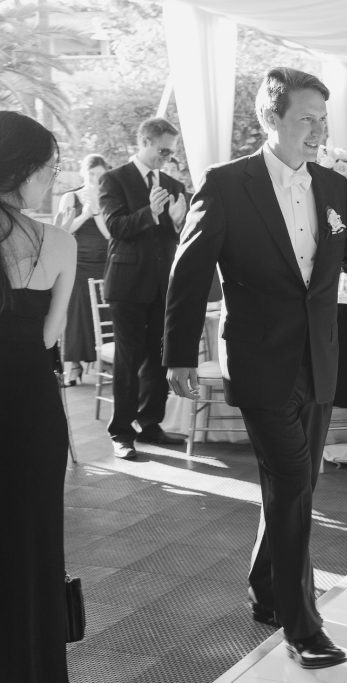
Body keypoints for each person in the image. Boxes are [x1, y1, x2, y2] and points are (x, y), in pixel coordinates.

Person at [163, 67, 347, 670]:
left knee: (296, 485)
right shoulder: (227, 184)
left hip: (319, 357)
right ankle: (301, 622)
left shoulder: (334, 187)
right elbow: (188, 272)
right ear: (271, 118)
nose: (318, 131)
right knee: (291, 485)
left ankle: (266, 590)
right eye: (306, 118)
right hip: (260, 359)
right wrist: (179, 354)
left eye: (323, 120)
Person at [0, 111, 77, 683]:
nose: (51, 181)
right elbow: (51, 335)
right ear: (22, 170)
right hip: (28, 400)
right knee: (33, 538)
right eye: (49, 169)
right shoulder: (56, 242)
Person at [99, 117, 188, 459]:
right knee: (129, 358)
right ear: (145, 141)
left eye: (172, 152)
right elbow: (114, 227)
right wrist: (149, 212)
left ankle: (150, 423)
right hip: (127, 285)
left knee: (158, 359)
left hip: (161, 284)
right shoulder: (114, 179)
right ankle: (121, 432)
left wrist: (178, 222)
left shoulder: (170, 182)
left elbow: (171, 238)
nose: (168, 157)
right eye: (164, 150)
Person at [55, 153, 111, 385]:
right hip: (77, 263)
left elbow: (111, 235)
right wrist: (86, 212)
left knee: (105, 313)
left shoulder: (110, 197)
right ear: (83, 173)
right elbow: (61, 231)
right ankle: (74, 367)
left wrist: (97, 210)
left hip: (104, 262)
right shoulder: (70, 197)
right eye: (91, 174)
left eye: (100, 174)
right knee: (77, 313)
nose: (96, 179)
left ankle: (106, 362)